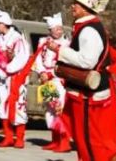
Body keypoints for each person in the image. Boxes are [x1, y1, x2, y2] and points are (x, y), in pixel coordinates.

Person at [55, 0, 116, 161]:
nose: (72, 7)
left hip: (88, 95)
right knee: (86, 137)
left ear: (86, 7)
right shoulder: (87, 27)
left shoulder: (89, 30)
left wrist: (59, 51)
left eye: (76, 4)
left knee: (89, 138)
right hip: (86, 93)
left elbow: (87, 61)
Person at [0, 9, 31, 147]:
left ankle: (19, 138)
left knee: (19, 106)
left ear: (4, 24)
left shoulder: (17, 38)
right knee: (2, 105)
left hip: (15, 78)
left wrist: (7, 69)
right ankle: (8, 136)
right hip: (0, 78)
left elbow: (22, 58)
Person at [32, 13, 72, 153]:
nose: (58, 31)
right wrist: (42, 72)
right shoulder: (43, 42)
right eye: (55, 28)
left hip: (58, 79)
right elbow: (37, 59)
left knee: (59, 109)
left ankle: (64, 141)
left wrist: (51, 73)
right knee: (49, 109)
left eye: (60, 28)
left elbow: (66, 64)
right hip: (46, 79)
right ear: (50, 30)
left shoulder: (67, 44)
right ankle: (55, 140)